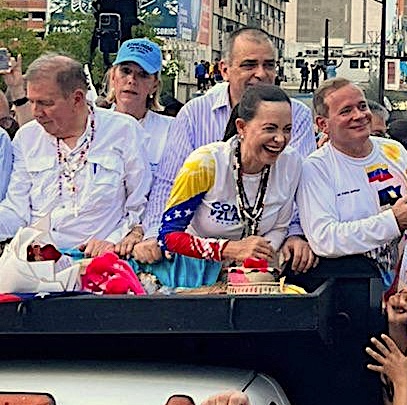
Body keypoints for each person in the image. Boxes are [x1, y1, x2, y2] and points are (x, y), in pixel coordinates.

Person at [138, 27, 316, 271]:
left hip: (264, 257)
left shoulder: (298, 117)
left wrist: (296, 235)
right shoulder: (194, 114)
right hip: (198, 258)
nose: (261, 74)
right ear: (224, 70)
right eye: (249, 65)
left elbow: (299, 193)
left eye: (269, 65)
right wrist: (152, 236)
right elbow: (168, 183)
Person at [295, 77, 407, 287]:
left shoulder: (393, 151)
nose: (359, 116)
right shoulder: (316, 168)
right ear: (323, 124)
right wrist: (393, 221)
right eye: (346, 111)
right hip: (346, 293)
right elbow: (324, 239)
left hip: (395, 290)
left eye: (362, 106)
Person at [0, 54, 149, 256]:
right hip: (36, 262)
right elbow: (16, 210)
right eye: (32, 101)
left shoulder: (124, 131)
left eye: (45, 103)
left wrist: (114, 240)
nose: (36, 112)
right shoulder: (27, 138)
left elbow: (139, 205)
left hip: (100, 261)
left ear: (77, 99)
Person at [158, 85, 300, 264]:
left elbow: (280, 227)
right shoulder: (204, 163)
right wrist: (229, 250)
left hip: (252, 273)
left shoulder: (292, 162)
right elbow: (168, 236)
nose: (280, 139)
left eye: (287, 129)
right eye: (270, 129)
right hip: (197, 272)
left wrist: (255, 260)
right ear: (241, 127)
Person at [105, 38, 172, 189]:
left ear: (154, 85)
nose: (132, 80)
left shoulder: (171, 131)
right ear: (113, 77)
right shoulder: (93, 127)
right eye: (126, 71)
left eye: (143, 74)